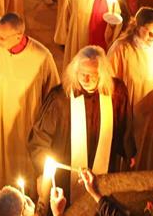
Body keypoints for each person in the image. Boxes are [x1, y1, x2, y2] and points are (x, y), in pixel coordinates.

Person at [0, 13, 60, 193]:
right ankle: (2, 192)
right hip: (0, 120)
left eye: (2, 37)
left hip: (27, 122)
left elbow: (53, 94)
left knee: (24, 163)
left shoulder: (42, 56)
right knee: (2, 161)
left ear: (19, 36)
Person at [28, 46, 133, 199]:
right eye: (82, 74)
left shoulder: (116, 92)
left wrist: (129, 151)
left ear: (103, 75)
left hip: (104, 164)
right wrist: (43, 170)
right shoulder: (60, 98)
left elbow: (124, 124)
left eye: (92, 75)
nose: (86, 79)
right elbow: (40, 137)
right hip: (67, 170)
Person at [107, 7, 153, 170]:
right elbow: (109, 79)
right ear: (137, 27)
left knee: (148, 146)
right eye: (147, 31)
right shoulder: (122, 48)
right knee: (127, 144)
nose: (152, 36)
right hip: (129, 108)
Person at [55, 0, 123, 62]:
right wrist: (62, 37)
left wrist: (113, 26)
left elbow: (116, 14)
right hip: (79, 37)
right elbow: (66, 14)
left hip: (100, 38)